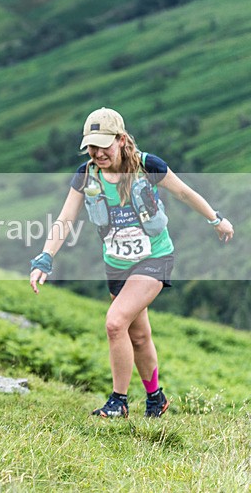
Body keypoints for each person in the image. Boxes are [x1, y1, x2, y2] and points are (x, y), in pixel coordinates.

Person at [29, 107, 234, 419]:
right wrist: (45, 257)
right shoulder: (86, 175)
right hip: (117, 264)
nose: (97, 153)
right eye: (91, 147)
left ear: (121, 140)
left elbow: (183, 193)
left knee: (114, 323)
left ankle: (118, 401)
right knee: (138, 336)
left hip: (155, 258)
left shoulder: (148, 165)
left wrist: (215, 219)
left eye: (103, 145)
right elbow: (65, 219)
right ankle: (156, 399)